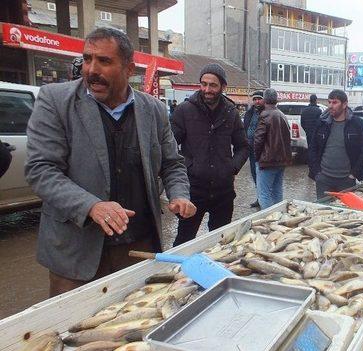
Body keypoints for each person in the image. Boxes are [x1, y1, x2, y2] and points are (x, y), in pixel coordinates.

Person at [24, 27, 195, 297]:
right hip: (76, 256)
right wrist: (91, 205)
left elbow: (172, 163)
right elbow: (41, 170)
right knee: (74, 331)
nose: (92, 69)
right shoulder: (55, 101)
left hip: (139, 248)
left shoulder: (153, 109)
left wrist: (179, 194)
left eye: (104, 61)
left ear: (129, 69)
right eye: (88, 58)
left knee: (136, 327)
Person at [171, 63, 249, 246]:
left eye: (213, 85)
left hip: (223, 191)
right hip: (193, 189)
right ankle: (178, 273)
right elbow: (170, 147)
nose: (207, 89)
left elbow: (243, 147)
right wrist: (188, 166)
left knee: (221, 242)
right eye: (204, 84)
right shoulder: (184, 110)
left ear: (223, 87)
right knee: (184, 241)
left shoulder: (231, 112)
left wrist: (232, 168)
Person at [308, 89, 363, 200]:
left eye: (335, 102)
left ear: (345, 104)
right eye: (329, 102)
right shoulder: (321, 123)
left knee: (345, 214)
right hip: (324, 179)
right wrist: (317, 173)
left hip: (346, 180)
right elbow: (312, 148)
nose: (331, 106)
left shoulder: (356, 123)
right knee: (323, 212)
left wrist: (353, 174)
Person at [253, 88, 292, 208]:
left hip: (267, 161)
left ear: (264, 99)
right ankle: (279, 215)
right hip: (281, 160)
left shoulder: (264, 115)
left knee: (263, 194)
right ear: (276, 100)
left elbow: (258, 140)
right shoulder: (282, 115)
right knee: (277, 191)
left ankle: (269, 220)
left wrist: (257, 157)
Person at [243, 90, 265, 208]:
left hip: (261, 150)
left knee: (261, 174)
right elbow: (245, 127)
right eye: (255, 99)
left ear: (264, 100)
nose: (257, 101)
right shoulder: (249, 113)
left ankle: (264, 199)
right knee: (254, 174)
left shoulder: (266, 113)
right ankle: (259, 197)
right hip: (250, 148)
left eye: (259, 99)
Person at [300, 94, 322, 159]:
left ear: (310, 100)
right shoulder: (318, 110)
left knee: (310, 147)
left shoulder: (304, 111)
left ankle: (310, 161)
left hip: (308, 133)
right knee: (316, 148)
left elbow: (302, 123)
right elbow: (320, 123)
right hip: (317, 133)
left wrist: (307, 130)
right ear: (316, 100)